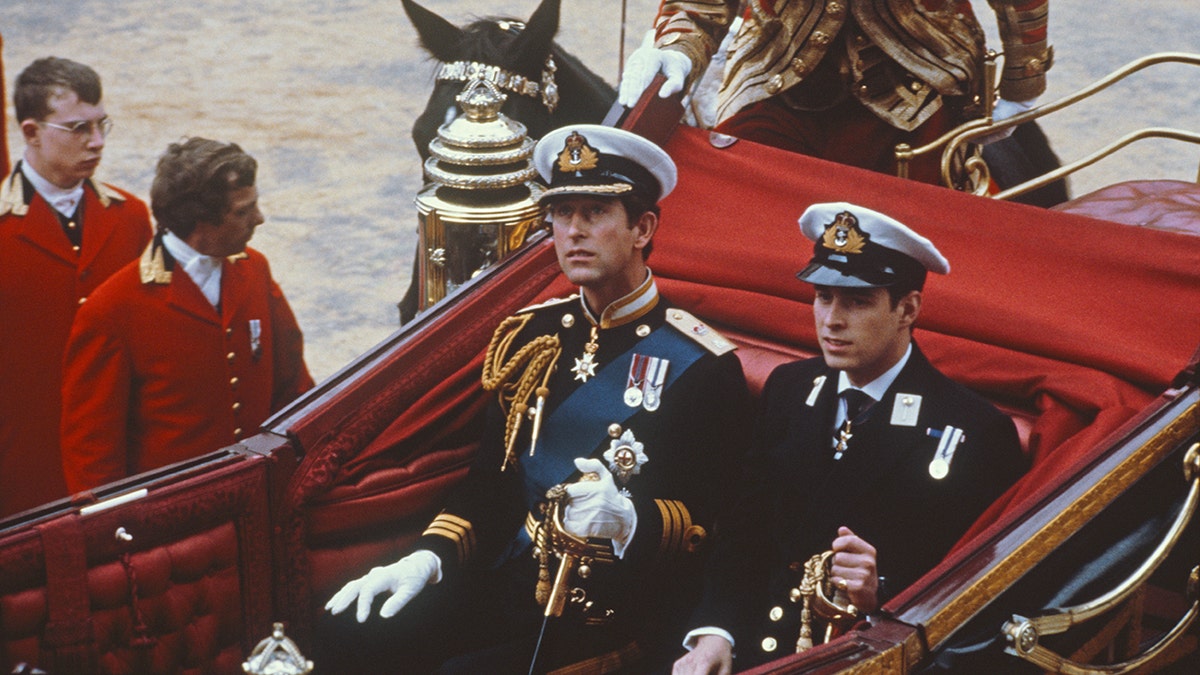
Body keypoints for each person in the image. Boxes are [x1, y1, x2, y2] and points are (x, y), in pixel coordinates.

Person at [323, 124, 752, 673]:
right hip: (507, 580)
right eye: (561, 213)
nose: (572, 232)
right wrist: (430, 556)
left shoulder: (703, 365)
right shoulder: (532, 337)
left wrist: (630, 521)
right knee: (344, 632)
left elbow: (718, 528)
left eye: (594, 213)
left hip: (609, 614)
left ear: (642, 227)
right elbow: (493, 485)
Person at [673, 202, 1026, 673]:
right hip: (754, 648)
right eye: (823, 296)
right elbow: (744, 531)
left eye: (857, 302)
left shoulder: (972, 431)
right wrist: (716, 632)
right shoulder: (791, 388)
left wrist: (880, 592)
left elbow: (974, 602)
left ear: (908, 309)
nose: (832, 320)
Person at [60, 137, 313, 493]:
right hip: (171, 517)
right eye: (243, 211)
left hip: (259, 495)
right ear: (201, 223)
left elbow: (294, 386)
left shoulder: (254, 270)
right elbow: (92, 450)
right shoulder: (113, 309)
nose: (259, 218)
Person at [618, 1, 1051, 185]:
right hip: (775, 69)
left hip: (918, 73)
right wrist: (677, 50)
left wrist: (1021, 84)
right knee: (725, 195)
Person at [0, 57, 151, 516]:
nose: (98, 142)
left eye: (102, 124)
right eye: (78, 128)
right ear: (31, 132)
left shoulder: (130, 218)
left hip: (119, 466)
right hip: (25, 469)